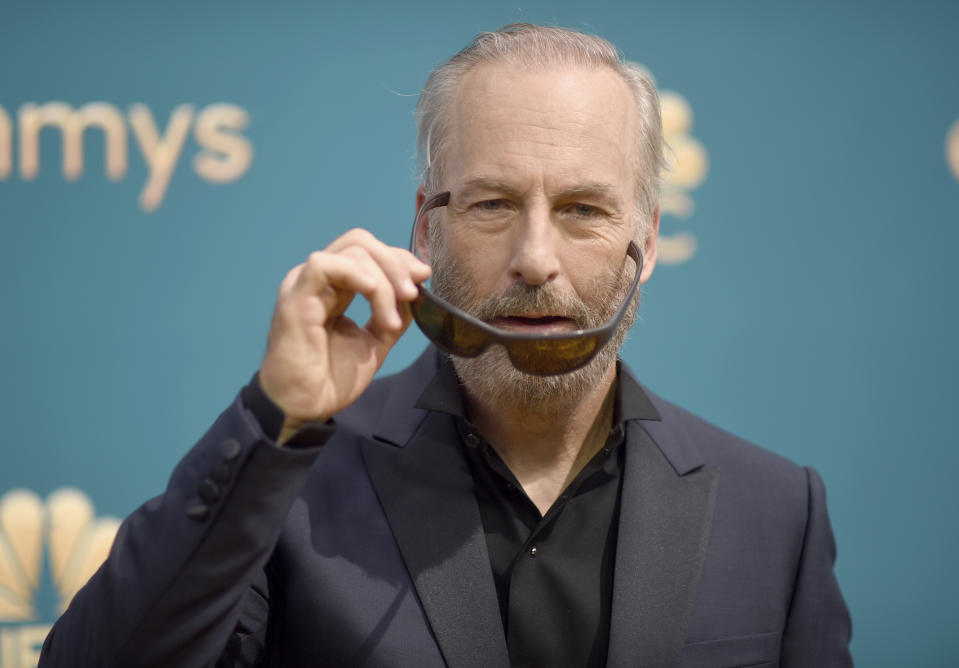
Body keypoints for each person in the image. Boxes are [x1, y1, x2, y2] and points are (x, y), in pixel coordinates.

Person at [40, 23, 852, 668]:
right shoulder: (287, 490)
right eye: (494, 204)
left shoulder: (775, 511)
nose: (535, 259)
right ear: (427, 228)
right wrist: (272, 418)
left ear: (647, 237)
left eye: (581, 210)